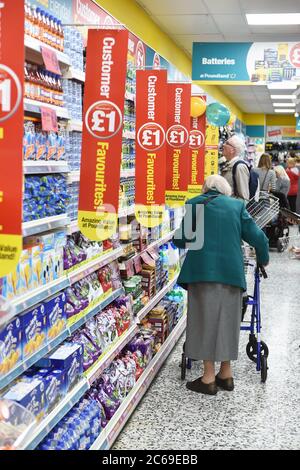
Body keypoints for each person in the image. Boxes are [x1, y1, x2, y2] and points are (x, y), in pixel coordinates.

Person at [173, 175, 269, 396]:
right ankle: (226, 374)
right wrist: (263, 259)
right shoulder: (237, 206)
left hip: (202, 273)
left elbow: (181, 239)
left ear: (205, 188)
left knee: (205, 320)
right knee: (228, 321)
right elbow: (259, 238)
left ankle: (208, 378)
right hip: (232, 273)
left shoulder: (196, 203)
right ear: (225, 190)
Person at [221, 135, 250, 201]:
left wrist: (235, 209)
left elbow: (244, 197)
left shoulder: (239, 167)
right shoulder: (229, 165)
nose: (223, 145)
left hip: (231, 209)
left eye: (227, 143)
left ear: (232, 150)